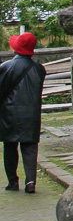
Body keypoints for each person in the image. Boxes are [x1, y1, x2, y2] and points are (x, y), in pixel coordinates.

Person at [0, 32, 46, 193]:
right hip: (31, 114)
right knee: (30, 148)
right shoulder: (40, 69)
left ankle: (13, 182)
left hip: (9, 114)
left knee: (10, 147)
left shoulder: (6, 67)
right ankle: (31, 182)